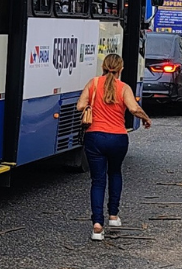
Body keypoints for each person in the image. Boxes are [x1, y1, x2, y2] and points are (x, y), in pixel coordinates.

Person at [76, 54, 151, 241]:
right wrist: (146, 118)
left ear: (103, 66)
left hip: (94, 137)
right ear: (121, 69)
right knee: (115, 173)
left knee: (98, 181)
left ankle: (97, 226)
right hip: (118, 138)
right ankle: (113, 216)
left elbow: (79, 106)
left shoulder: (93, 83)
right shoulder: (124, 88)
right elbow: (134, 109)